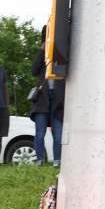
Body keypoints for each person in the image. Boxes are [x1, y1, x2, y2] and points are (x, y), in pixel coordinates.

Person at [29, 27, 64, 166]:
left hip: (58, 98)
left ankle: (57, 161)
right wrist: (42, 49)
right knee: (40, 132)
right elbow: (34, 70)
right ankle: (39, 160)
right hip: (42, 98)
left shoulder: (61, 53)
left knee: (58, 133)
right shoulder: (43, 54)